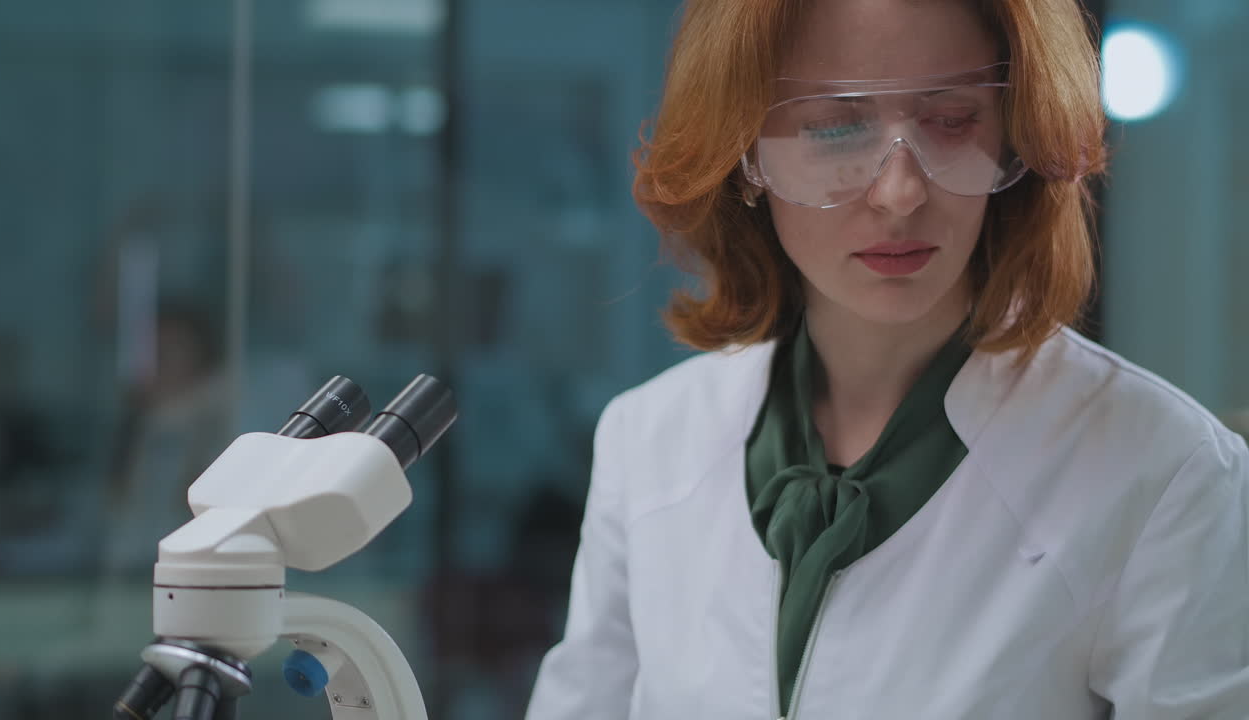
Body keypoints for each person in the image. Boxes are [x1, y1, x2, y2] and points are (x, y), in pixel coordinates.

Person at [524, 0, 1249, 718]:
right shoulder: (646, 442)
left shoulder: (1165, 471)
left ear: (1016, 135)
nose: (900, 194)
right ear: (742, 154)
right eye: (835, 127)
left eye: (953, 120)